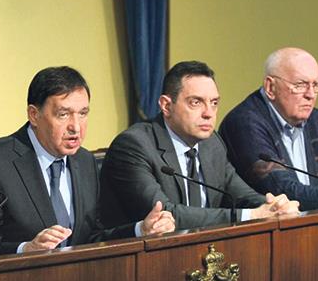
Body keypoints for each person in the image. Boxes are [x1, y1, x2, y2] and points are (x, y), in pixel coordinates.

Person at [0, 66, 175, 259]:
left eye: (83, 113)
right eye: (63, 114)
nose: (76, 127)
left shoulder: (85, 162)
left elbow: (91, 238)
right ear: (34, 115)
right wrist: (25, 250)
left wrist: (140, 230)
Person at [99, 61, 299, 231]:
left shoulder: (212, 143)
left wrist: (274, 206)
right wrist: (251, 215)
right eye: (196, 102)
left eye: (214, 103)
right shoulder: (134, 146)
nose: (208, 113)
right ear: (166, 106)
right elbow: (165, 215)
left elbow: (240, 195)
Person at [219, 47, 318, 210]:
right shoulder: (244, 124)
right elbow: (284, 193)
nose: (311, 94)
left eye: (315, 85)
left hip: (317, 219)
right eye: (300, 85)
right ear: (270, 87)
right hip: (273, 224)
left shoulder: (316, 119)